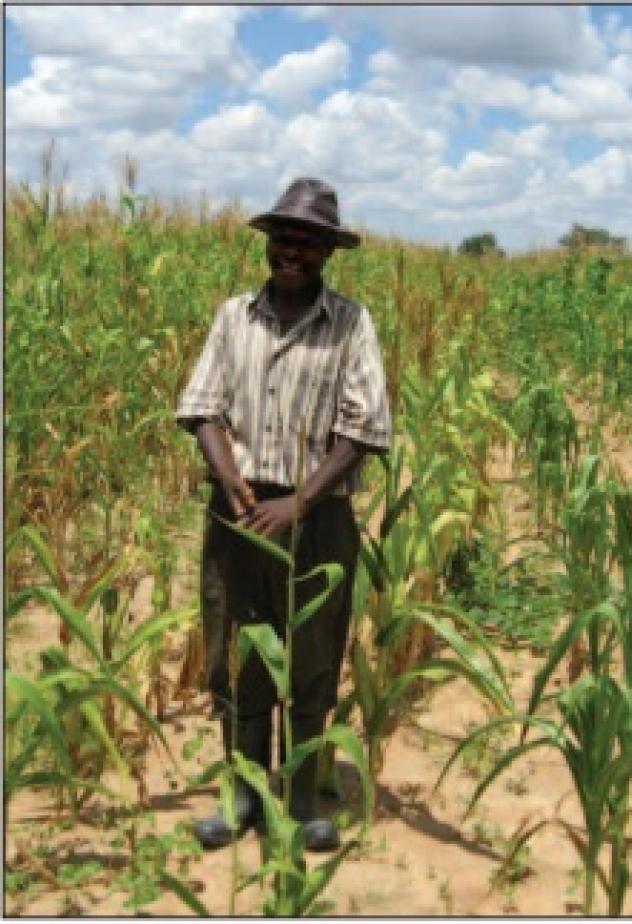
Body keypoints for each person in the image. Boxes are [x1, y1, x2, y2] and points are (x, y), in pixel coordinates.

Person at [175, 177, 391, 851]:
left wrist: (298, 502)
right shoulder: (231, 316)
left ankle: (299, 800)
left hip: (316, 512)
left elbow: (363, 426)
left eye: (310, 241)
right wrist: (232, 482)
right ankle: (241, 796)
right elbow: (202, 407)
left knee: (312, 655)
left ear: (328, 250)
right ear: (268, 244)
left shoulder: (351, 323)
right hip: (238, 511)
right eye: (284, 238)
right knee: (239, 656)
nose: (294, 251)